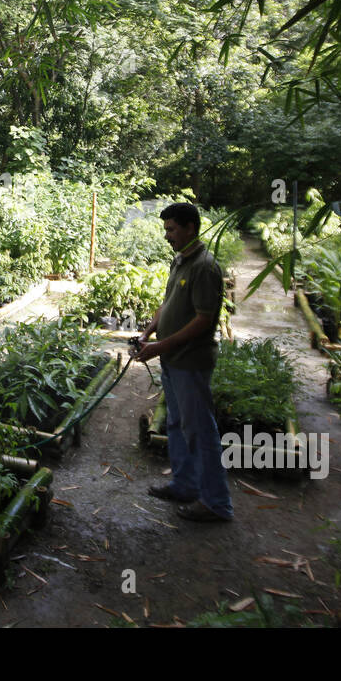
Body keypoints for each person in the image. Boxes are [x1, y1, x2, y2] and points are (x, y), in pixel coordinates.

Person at [135, 202, 234, 522]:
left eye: (172, 229)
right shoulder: (180, 260)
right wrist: (149, 332)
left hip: (190, 363)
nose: (167, 236)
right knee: (178, 425)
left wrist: (160, 345)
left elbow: (204, 321)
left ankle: (216, 503)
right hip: (172, 361)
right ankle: (185, 485)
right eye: (166, 230)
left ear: (191, 228)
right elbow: (168, 304)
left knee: (200, 431)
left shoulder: (205, 267)